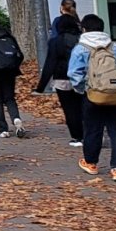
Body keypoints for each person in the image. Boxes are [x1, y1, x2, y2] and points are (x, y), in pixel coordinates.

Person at [68, 13, 116, 181]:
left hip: (93, 95)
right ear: (102, 29)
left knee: (93, 129)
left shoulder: (80, 48)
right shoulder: (114, 47)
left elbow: (73, 74)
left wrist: (82, 89)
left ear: (83, 29)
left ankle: (91, 163)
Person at [35, 14, 83, 146]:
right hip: (82, 77)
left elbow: (50, 63)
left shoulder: (56, 41)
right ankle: (89, 133)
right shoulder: (82, 40)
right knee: (82, 107)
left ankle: (77, 137)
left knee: (69, 109)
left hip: (62, 78)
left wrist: (41, 87)